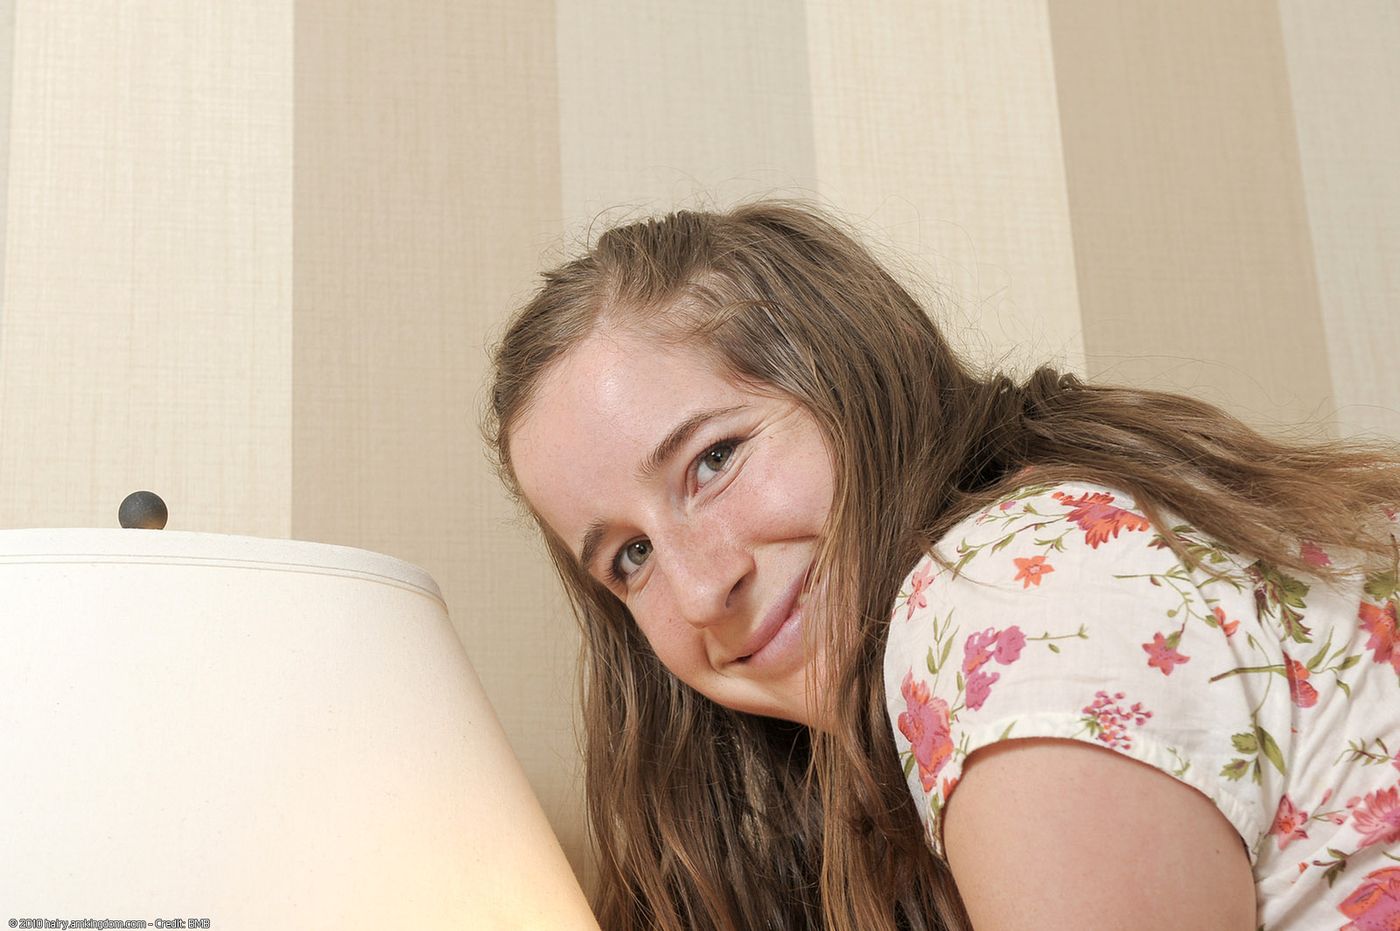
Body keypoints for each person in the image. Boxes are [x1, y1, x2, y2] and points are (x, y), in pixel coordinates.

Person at [484, 201, 1400, 930]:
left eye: (714, 459)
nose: (699, 588)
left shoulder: (1007, 592)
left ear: (850, 379)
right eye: (631, 555)